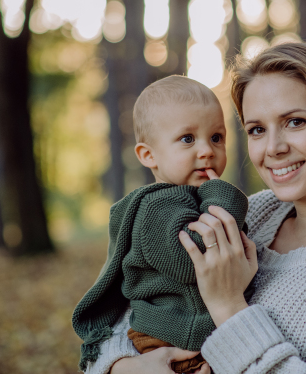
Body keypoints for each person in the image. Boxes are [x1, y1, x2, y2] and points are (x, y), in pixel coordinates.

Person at [85, 43, 306, 374]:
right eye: (256, 130)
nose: (274, 148)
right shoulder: (253, 215)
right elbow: (123, 315)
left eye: (295, 121)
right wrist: (124, 367)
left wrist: (229, 307)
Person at [72, 75, 253, 374]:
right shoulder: (155, 208)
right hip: (167, 339)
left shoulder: (194, 201)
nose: (207, 150)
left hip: (196, 331)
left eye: (216, 137)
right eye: (187, 139)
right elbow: (192, 259)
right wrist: (222, 196)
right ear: (148, 155)